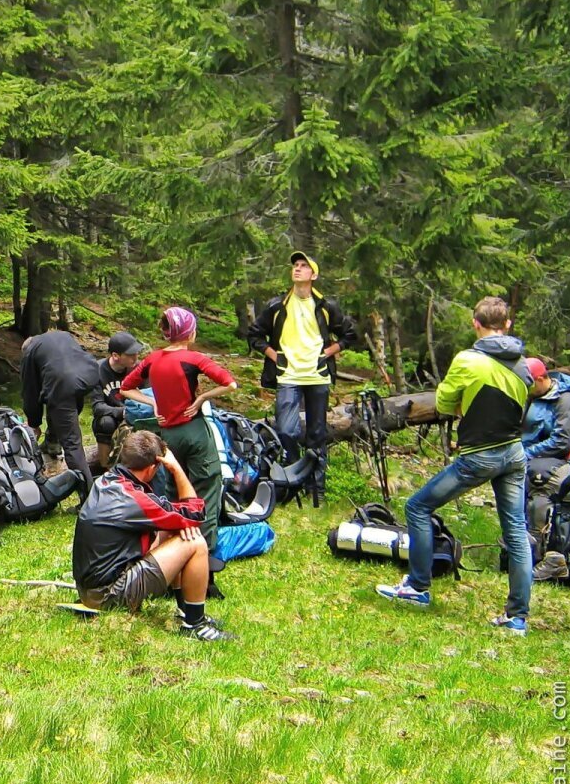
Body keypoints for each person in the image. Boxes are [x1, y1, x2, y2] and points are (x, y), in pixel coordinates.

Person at [376, 297, 533, 635]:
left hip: (480, 455)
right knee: (516, 532)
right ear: (507, 325)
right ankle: (517, 616)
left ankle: (418, 587)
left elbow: (445, 402)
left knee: (417, 506)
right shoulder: (522, 363)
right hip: (514, 453)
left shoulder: (468, 359)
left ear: (475, 324)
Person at [72, 431, 232, 640]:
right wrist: (176, 469)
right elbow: (196, 513)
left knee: (174, 528)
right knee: (195, 542)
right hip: (107, 595)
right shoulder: (135, 499)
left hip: (90, 590)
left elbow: (178, 517)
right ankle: (195, 624)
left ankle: (185, 611)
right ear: (151, 468)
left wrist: (178, 525)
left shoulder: (107, 481)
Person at [118, 307, 238, 559]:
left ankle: (172, 551)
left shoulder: (152, 359)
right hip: (193, 431)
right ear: (189, 333)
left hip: (167, 437)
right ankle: (205, 555)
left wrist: (154, 403)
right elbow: (229, 383)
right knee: (205, 486)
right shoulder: (194, 359)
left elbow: (125, 388)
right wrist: (202, 397)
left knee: (174, 489)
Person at [246, 250, 358, 498]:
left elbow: (350, 334)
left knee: (317, 434)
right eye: (295, 265)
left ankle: (316, 489)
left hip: (317, 376)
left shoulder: (326, 306)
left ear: (313, 274)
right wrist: (275, 356)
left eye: (303, 266)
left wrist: (329, 351)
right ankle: (291, 481)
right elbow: (254, 334)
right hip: (288, 376)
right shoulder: (278, 305)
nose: (297, 268)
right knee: (286, 430)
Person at [20, 329, 104, 488]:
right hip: (90, 373)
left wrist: (34, 422)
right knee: (59, 403)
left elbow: (30, 391)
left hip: (64, 382)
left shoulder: (30, 352)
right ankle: (52, 443)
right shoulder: (59, 335)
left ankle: (88, 496)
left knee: (72, 444)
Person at [521, 358, 570, 582]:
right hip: (527, 457)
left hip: (556, 460)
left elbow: (562, 441)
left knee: (541, 480)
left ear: (540, 379)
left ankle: (547, 557)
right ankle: (521, 551)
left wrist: (525, 452)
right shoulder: (530, 398)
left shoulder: (566, 400)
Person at [91, 331, 143, 449]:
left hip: (137, 415)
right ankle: (105, 464)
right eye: (130, 354)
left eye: (136, 353)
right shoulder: (97, 370)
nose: (136, 357)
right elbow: (97, 407)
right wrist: (123, 412)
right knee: (105, 423)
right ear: (115, 356)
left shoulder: (139, 369)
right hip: (111, 418)